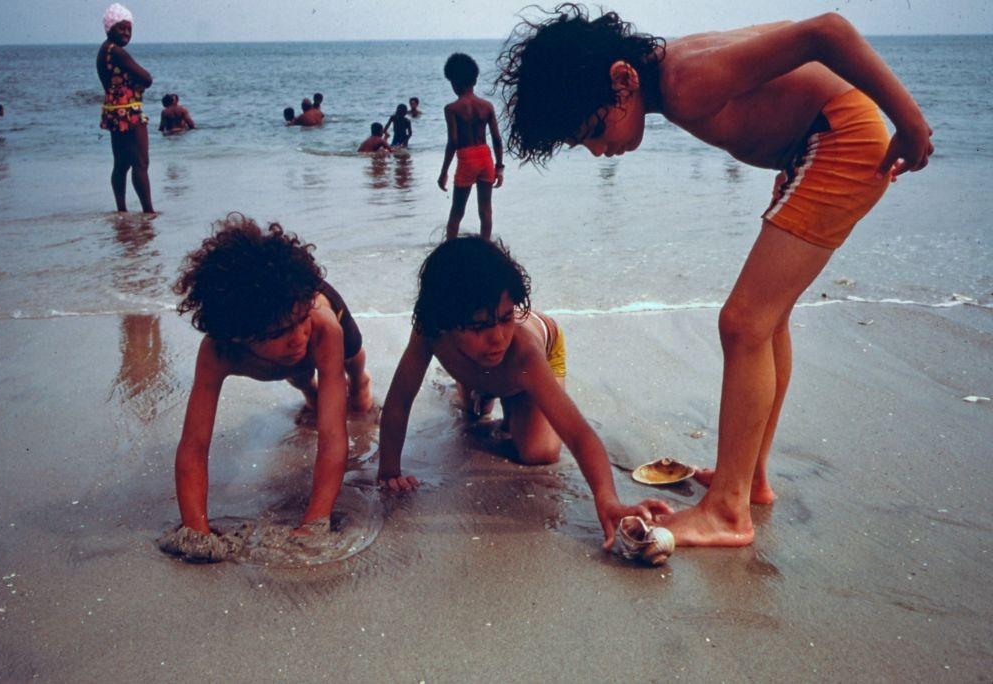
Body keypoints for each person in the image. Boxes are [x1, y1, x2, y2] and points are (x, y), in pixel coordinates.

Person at [496, 6, 933, 547]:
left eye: (592, 130)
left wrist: (911, 123)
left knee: (743, 323)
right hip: (813, 146)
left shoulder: (685, 78)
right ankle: (748, 482)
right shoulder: (672, 68)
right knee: (766, 322)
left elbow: (829, 31)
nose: (596, 151)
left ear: (621, 80)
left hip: (837, 140)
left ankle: (727, 510)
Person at [377, 236, 672, 549]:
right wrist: (389, 471)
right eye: (480, 327)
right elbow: (399, 401)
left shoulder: (522, 353)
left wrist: (608, 499)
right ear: (445, 323)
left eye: (505, 318)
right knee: (471, 410)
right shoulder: (430, 333)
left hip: (537, 356)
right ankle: (480, 389)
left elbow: (578, 434)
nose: (497, 337)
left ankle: (507, 394)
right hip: (479, 368)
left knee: (538, 453)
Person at [172, 214, 374, 544]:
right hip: (279, 338)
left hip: (324, 312)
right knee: (295, 372)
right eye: (280, 332)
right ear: (237, 336)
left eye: (299, 322)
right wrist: (196, 529)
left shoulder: (319, 327)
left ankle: (361, 381)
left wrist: (315, 521)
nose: (298, 337)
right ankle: (309, 389)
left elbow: (333, 437)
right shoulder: (217, 352)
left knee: (352, 355)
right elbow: (194, 447)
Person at [438, 53, 505, 240]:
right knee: (486, 210)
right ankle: (486, 247)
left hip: (466, 159)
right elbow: (497, 139)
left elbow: (453, 142)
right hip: (486, 157)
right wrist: (499, 167)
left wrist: (444, 171)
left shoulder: (452, 108)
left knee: (457, 211)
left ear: (453, 82)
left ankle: (449, 249)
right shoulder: (487, 106)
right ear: (474, 80)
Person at [96, 3, 155, 215]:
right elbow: (146, 78)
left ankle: (121, 210)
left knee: (121, 164)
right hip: (128, 111)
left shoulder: (104, 51)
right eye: (121, 28)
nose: (126, 33)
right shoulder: (117, 52)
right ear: (109, 27)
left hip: (113, 110)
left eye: (129, 29)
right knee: (141, 162)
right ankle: (149, 212)